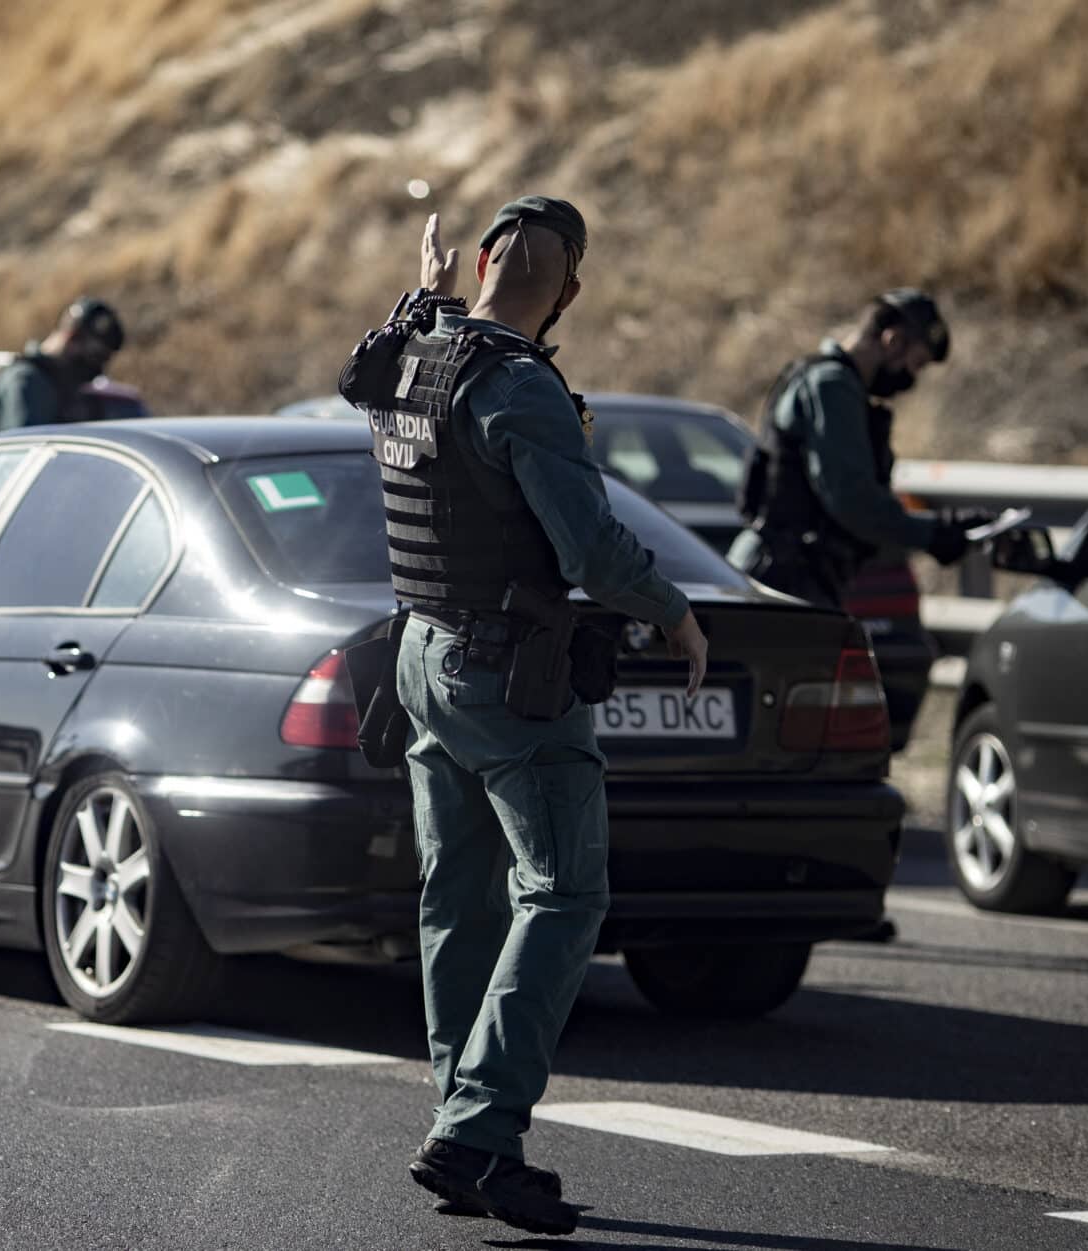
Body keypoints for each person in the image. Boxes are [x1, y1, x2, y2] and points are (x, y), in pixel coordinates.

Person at [339, 199, 706, 1236]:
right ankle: (479, 1135)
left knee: (459, 896)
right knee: (560, 893)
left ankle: (460, 1121)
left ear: (483, 261)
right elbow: (587, 552)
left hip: (416, 656)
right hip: (505, 676)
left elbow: (361, 372)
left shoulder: (414, 353)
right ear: (571, 293)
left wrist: (423, 295)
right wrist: (671, 611)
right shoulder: (519, 388)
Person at [729, 290, 975, 607]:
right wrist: (932, 534)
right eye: (916, 364)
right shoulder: (833, 386)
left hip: (784, 571)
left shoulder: (824, 378)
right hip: (786, 575)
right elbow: (852, 498)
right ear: (893, 341)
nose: (912, 378)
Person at [0, 297, 126, 430]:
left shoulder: (64, 385)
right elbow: (24, 445)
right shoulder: (26, 381)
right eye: (95, 356)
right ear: (72, 338)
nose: (98, 368)